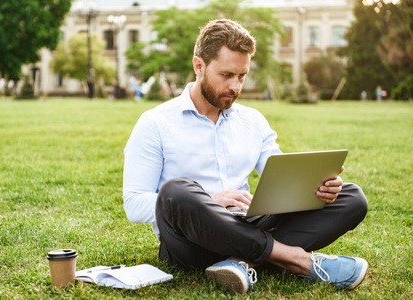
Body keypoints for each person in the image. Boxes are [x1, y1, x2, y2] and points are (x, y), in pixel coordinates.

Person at [123, 19, 368, 294]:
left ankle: (240, 262)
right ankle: (297, 260)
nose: (235, 87)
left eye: (241, 76)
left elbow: (280, 178)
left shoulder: (253, 121)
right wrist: (210, 200)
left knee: (352, 197)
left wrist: (318, 188)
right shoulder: (154, 123)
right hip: (191, 239)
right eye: (226, 75)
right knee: (176, 191)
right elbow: (133, 203)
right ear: (198, 66)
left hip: (249, 221)